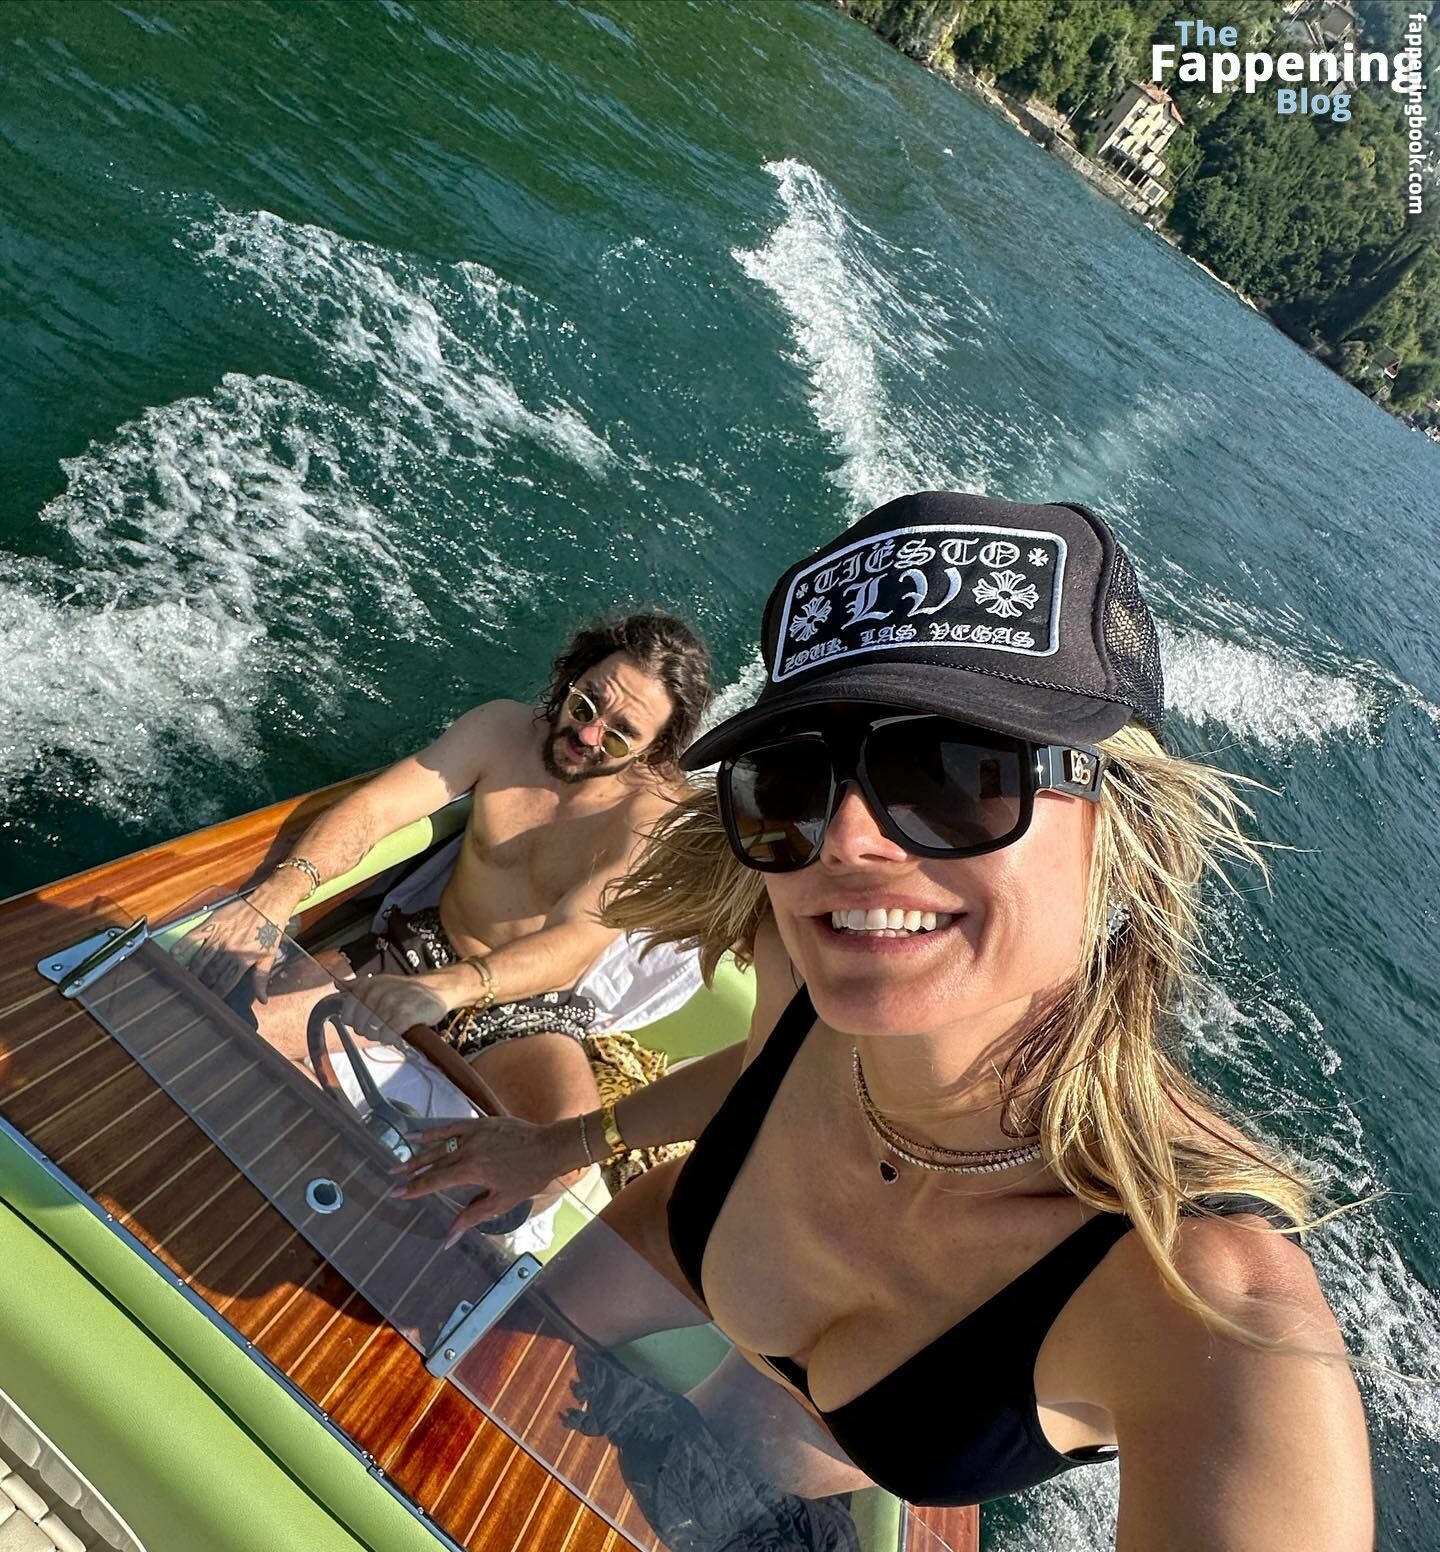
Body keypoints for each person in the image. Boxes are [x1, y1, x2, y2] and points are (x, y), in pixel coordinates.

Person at [392, 492, 1372, 1543]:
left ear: (1124, 834)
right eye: (793, 779)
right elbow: (759, 1069)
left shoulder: (1210, 1308)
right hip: (663, 1263)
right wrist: (560, 1146)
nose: (844, 839)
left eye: (950, 774)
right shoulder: (803, 971)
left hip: (781, 1493)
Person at [189, 610, 712, 1140]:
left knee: (560, 1151)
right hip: (418, 950)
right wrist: (278, 895)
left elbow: (574, 942)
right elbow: (375, 810)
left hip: (525, 1002)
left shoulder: (650, 816)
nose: (588, 734)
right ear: (573, 677)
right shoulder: (503, 731)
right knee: (232, 1035)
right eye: (585, 705)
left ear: (654, 750)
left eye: (620, 737)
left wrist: (447, 990)